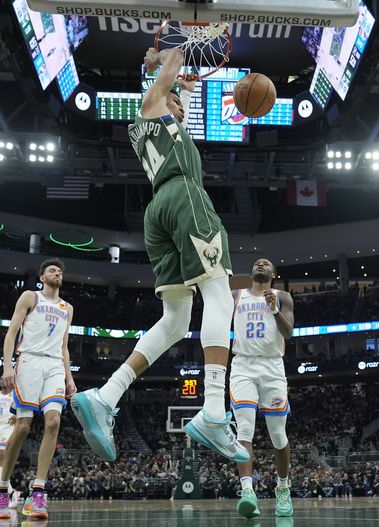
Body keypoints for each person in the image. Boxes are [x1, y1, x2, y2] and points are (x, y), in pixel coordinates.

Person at [70, 46, 248, 464]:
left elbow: (174, 101)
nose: (181, 109)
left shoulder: (154, 125)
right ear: (158, 95)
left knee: (174, 320)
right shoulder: (149, 103)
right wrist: (168, 56)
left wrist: (182, 89)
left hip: (158, 214)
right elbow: (164, 76)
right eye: (175, 100)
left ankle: (106, 395)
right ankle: (214, 413)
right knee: (221, 298)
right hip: (185, 197)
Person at [0, 258, 76, 520]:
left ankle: (38, 492)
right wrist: (8, 366)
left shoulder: (67, 307)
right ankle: (2, 490)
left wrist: (69, 377)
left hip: (53, 366)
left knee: (53, 421)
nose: (57, 273)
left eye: (60, 271)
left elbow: (64, 345)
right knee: (24, 426)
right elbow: (11, 332)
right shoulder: (30, 297)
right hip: (28, 361)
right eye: (52, 270)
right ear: (42, 277)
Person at [229, 258, 295, 518]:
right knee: (244, 430)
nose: (260, 264)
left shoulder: (283, 296)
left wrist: (275, 309)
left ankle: (283, 488)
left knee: (278, 436)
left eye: (266, 263)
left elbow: (288, 333)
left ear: (273, 273)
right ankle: (247, 492)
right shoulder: (236, 295)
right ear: (252, 271)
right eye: (257, 262)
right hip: (243, 366)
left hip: (272, 368)